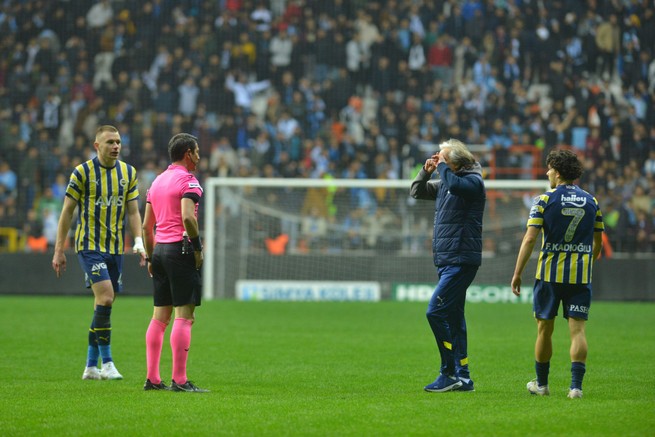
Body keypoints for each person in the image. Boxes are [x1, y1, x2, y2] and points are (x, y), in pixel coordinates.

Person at [52, 125, 146, 381]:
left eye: (118, 142)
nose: (116, 146)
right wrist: (59, 249)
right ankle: (108, 364)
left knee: (103, 303)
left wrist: (139, 241)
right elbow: (67, 212)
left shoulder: (128, 172)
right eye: (110, 142)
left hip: (115, 248)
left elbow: (134, 212)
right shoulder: (82, 172)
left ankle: (90, 366)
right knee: (106, 297)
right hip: (89, 246)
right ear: (97, 146)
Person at [511, 149, 604, 399]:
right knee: (578, 331)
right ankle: (576, 388)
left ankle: (541, 385)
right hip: (579, 276)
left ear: (558, 172)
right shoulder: (591, 201)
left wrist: (517, 272)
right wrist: (587, 261)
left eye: (550, 168)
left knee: (544, 330)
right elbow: (598, 244)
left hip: (549, 276)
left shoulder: (544, 200)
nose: (547, 172)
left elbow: (530, 239)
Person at [410, 138, 486, 392]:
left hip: (461, 259)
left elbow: (455, 183)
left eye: (442, 157)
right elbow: (417, 191)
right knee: (454, 316)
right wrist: (426, 171)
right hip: (446, 259)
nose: (438, 159)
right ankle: (463, 376)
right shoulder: (446, 182)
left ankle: (449, 371)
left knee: (435, 312)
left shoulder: (473, 182)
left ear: (457, 160)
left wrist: (441, 167)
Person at [142, 133, 208, 392]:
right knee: (185, 315)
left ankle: (152, 379)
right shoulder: (188, 181)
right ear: (189, 153)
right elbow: (188, 218)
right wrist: (197, 248)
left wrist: (149, 256)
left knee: (159, 318)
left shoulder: (156, 182)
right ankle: (180, 381)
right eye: (198, 151)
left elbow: (147, 226)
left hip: (158, 251)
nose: (200, 156)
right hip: (180, 251)